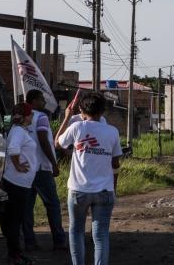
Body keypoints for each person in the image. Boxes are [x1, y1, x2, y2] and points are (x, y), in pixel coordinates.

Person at [55, 92, 122, 265]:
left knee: (76, 231)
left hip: (79, 191)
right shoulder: (112, 132)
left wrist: (67, 116)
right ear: (103, 110)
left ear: (81, 110)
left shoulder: (77, 127)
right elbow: (115, 163)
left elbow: (57, 143)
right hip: (105, 191)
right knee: (101, 235)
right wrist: (113, 188)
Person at [22, 89, 67, 251]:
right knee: (52, 205)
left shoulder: (21, 118)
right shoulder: (41, 117)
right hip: (41, 168)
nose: (44, 102)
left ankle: (29, 242)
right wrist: (54, 163)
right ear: (33, 101)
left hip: (25, 169)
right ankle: (59, 240)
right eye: (41, 99)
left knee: (27, 207)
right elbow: (43, 139)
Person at [1, 103, 38, 265]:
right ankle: (14, 255)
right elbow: (13, 149)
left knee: (15, 219)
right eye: (31, 114)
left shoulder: (20, 131)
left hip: (19, 183)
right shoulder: (18, 132)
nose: (33, 116)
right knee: (15, 220)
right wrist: (18, 165)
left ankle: (15, 253)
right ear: (25, 117)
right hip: (16, 183)